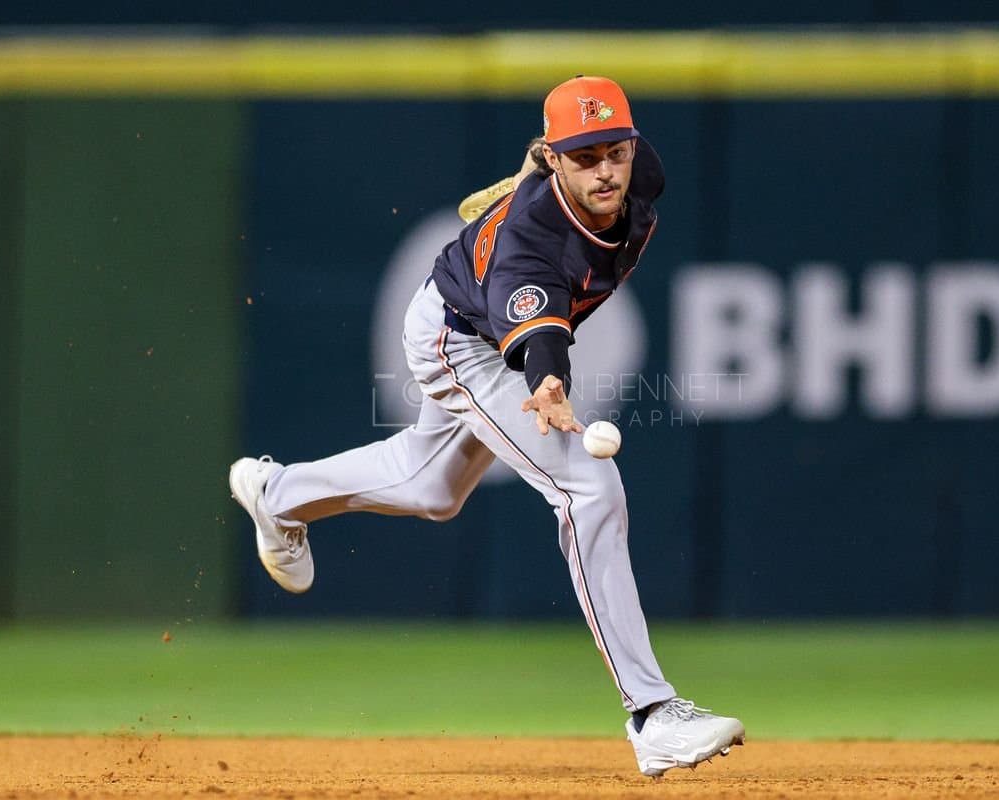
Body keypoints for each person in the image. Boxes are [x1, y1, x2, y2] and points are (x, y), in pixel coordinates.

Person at [229, 75, 744, 778]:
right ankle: (652, 714)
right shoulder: (529, 242)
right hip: (461, 334)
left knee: (433, 488)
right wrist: (549, 383)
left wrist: (540, 159)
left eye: (612, 150)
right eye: (582, 156)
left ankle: (279, 494)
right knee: (589, 485)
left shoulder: (637, 172)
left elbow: (581, 156)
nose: (604, 170)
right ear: (559, 161)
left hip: (472, 308)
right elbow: (537, 336)